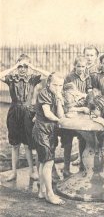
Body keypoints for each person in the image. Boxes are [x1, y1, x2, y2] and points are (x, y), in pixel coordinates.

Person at [0, 54, 49, 181]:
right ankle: (14, 172)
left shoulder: (32, 79)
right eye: (20, 66)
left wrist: (33, 67)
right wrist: (15, 66)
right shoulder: (11, 78)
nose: (22, 69)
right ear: (17, 67)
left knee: (27, 144)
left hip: (27, 112)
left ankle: (32, 171)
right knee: (15, 144)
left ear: (28, 68)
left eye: (25, 66)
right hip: (14, 111)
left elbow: (49, 75)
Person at [32, 72, 65, 205]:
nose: (58, 88)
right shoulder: (44, 93)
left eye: (60, 85)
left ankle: (42, 191)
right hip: (42, 131)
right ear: (48, 84)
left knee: (43, 161)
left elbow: (60, 114)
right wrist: (59, 121)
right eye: (55, 85)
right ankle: (50, 194)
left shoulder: (55, 95)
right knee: (48, 162)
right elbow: (47, 113)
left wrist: (59, 100)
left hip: (51, 131)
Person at [61, 56, 91, 175]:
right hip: (71, 110)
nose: (81, 69)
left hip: (82, 112)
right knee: (67, 141)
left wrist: (84, 98)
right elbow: (67, 93)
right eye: (79, 66)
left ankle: (82, 167)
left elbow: (89, 94)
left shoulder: (87, 78)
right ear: (75, 66)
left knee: (82, 139)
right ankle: (66, 168)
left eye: (83, 66)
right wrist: (79, 96)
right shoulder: (69, 77)